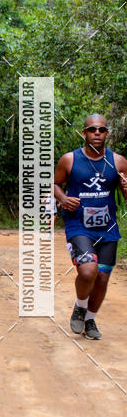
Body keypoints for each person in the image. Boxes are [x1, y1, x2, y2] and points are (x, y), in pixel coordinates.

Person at [54, 114, 127, 339]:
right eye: (92, 129)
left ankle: (89, 319)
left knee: (102, 278)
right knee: (88, 271)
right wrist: (64, 199)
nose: (97, 133)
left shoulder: (119, 162)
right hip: (79, 226)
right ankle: (80, 305)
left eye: (102, 130)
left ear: (107, 134)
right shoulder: (70, 160)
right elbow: (55, 183)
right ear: (84, 133)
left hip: (107, 228)